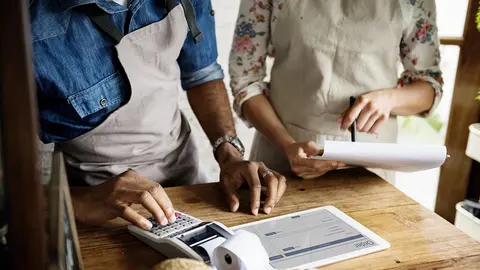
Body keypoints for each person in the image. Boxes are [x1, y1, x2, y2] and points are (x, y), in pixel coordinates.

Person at [30, 0, 286, 230]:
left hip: (184, 183)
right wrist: (82, 202)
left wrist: (229, 153)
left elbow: (202, 74)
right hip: (98, 204)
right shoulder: (25, 22)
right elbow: (11, 189)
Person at [229, 0, 443, 182]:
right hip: (281, 160)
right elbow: (245, 80)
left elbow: (428, 86)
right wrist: (288, 145)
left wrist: (390, 99)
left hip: (370, 170)